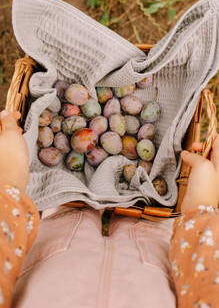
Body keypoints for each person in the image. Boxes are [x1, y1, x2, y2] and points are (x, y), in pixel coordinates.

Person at [0, 110, 218, 308]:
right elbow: (209, 284)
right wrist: (201, 209)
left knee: (70, 206)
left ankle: (73, 194)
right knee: (149, 211)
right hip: (154, 256)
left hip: (55, 245)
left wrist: (8, 183)